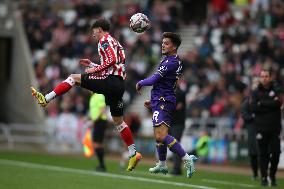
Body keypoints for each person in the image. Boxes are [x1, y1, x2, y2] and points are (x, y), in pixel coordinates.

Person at [31, 18, 141, 171]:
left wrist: (93, 70)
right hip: (118, 84)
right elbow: (113, 65)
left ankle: (46, 98)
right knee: (119, 123)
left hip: (110, 82)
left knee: (73, 78)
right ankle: (133, 152)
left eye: (94, 30)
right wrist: (92, 65)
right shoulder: (116, 43)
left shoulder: (104, 40)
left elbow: (111, 60)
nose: (93, 34)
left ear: (100, 29)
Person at [136, 32, 197, 178]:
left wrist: (140, 82)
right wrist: (153, 101)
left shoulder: (171, 62)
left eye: (167, 43)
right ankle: (162, 165)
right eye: (162, 42)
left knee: (162, 135)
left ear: (174, 46)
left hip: (164, 101)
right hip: (160, 100)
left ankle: (187, 159)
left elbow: (155, 79)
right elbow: (167, 84)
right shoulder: (169, 60)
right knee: (158, 137)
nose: (163, 45)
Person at [250, 68, 283, 186]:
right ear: (259, 78)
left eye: (266, 76)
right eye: (262, 76)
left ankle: (272, 176)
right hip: (261, 127)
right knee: (263, 154)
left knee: (276, 153)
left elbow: (279, 102)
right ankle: (264, 177)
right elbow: (253, 107)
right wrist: (271, 103)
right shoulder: (255, 92)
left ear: (270, 77)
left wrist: (262, 103)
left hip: (274, 127)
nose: (264, 78)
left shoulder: (277, 89)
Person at [240, 79, 259, 181]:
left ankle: (266, 173)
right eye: (255, 84)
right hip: (252, 128)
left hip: (263, 127)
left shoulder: (265, 99)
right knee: (253, 152)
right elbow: (244, 114)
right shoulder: (248, 101)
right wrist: (254, 116)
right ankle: (255, 173)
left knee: (265, 151)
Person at [169, 79, 187, 175]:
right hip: (171, 123)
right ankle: (178, 167)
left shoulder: (180, 93)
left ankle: (176, 169)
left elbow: (175, 107)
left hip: (178, 123)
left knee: (175, 144)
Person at [89, 93, 108, 172]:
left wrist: (95, 120)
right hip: (97, 121)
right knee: (97, 143)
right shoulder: (92, 97)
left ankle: (102, 165)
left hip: (100, 121)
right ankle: (101, 165)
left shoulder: (99, 95)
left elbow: (102, 109)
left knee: (97, 144)